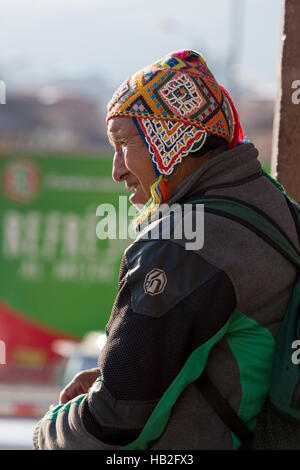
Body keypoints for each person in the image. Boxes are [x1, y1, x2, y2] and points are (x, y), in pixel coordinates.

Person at [33, 50, 299, 450]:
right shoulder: (277, 209)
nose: (117, 169)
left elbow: (114, 423)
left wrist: (49, 431)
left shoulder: (183, 241)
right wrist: (116, 378)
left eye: (123, 143)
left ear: (170, 136)